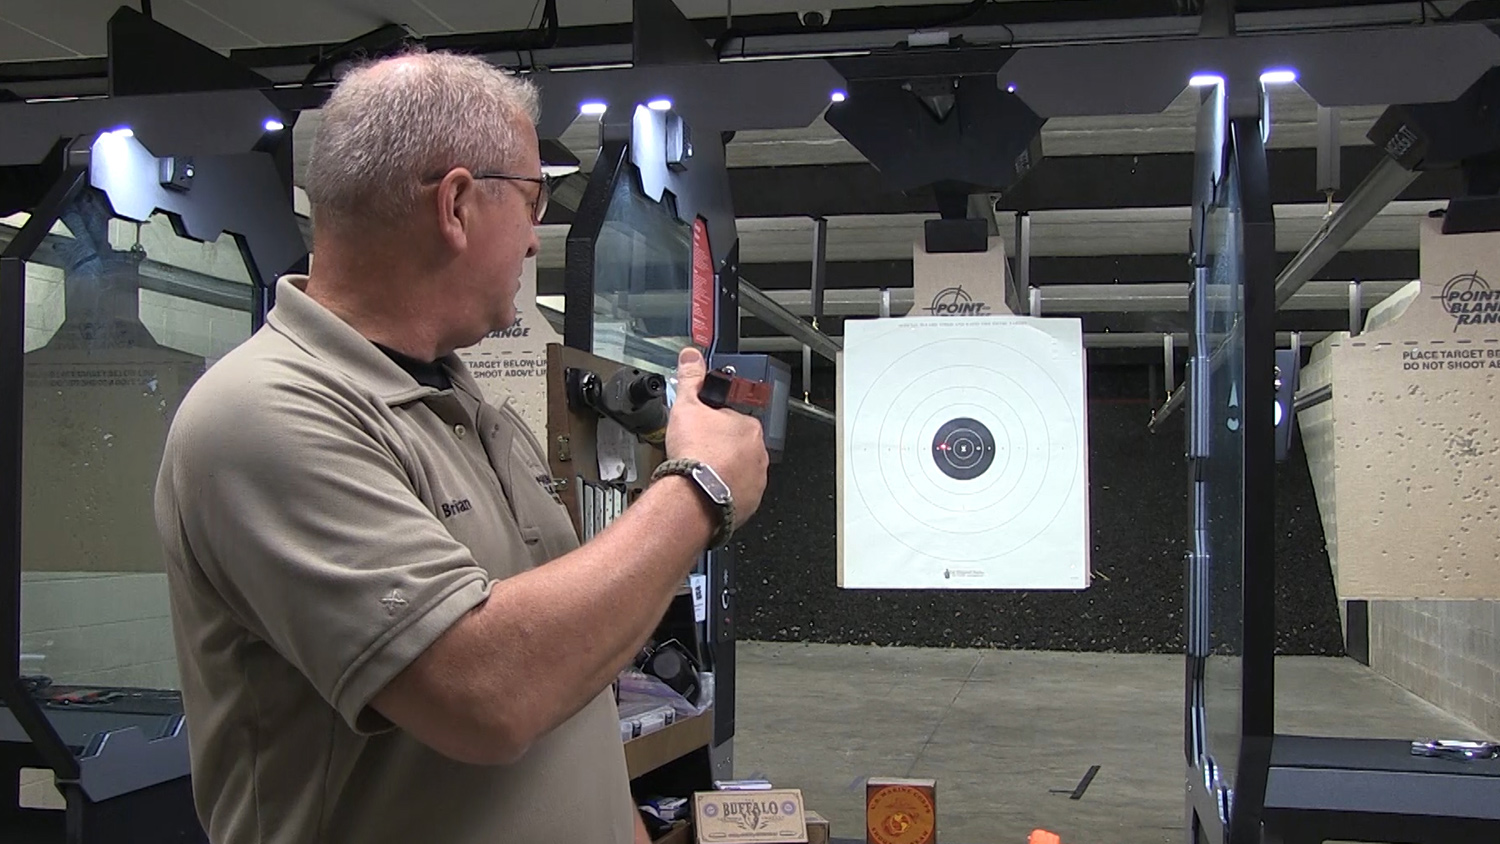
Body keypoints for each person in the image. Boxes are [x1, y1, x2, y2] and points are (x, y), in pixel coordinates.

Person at [153, 49, 769, 844]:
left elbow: (565, 700)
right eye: (532, 199)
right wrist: (700, 490)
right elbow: (488, 694)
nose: (534, 240)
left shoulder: (465, 404)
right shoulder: (264, 415)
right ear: (456, 204)